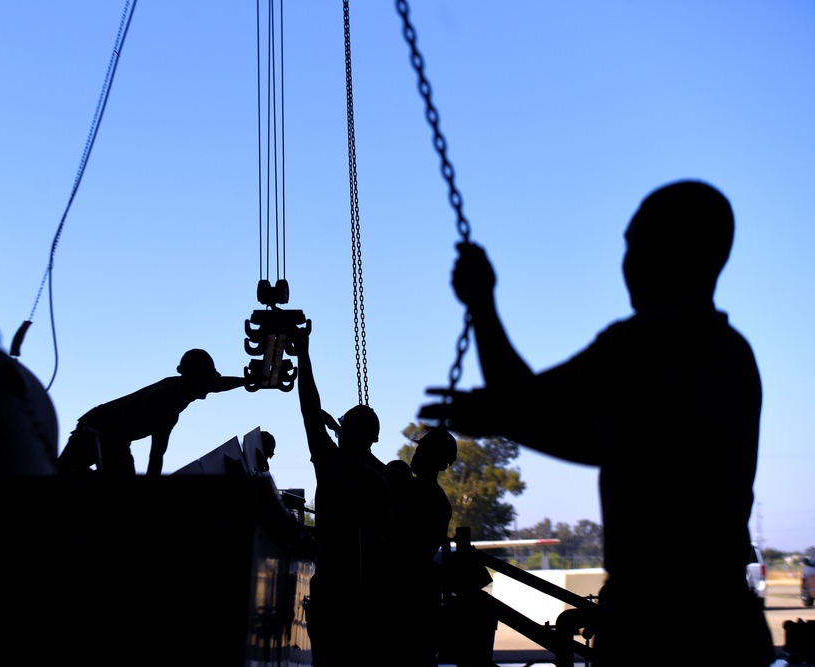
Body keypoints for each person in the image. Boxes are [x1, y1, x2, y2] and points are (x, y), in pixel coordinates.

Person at [419, 180, 774, 666]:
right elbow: (607, 445)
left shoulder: (644, 342)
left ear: (666, 252)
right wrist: (505, 416)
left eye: (632, 245)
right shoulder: (733, 354)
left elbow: (528, 401)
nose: (625, 262)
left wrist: (482, 304)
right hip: (727, 621)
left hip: (652, 624)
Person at [291, 320, 397, 665]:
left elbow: (308, 405)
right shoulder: (381, 481)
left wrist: (304, 354)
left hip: (334, 587)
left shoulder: (331, 464)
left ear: (344, 432)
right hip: (372, 593)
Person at [57, 349, 246, 477]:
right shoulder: (168, 405)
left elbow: (218, 385)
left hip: (106, 428)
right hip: (105, 430)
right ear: (196, 381)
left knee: (63, 471)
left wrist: (248, 381)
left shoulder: (180, 384)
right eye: (205, 383)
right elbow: (156, 456)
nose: (207, 391)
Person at [391, 428, 458, 667]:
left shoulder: (415, 491)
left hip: (408, 597)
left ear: (436, 460)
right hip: (422, 596)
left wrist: (341, 433)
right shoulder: (436, 499)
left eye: (422, 450)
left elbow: (372, 465)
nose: (415, 455)